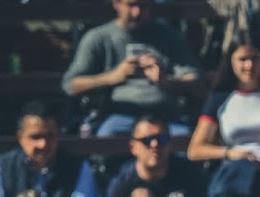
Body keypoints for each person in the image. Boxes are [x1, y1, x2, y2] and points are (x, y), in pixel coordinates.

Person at [62, 0, 201, 137]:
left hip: (164, 115)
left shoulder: (170, 37)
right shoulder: (98, 37)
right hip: (118, 114)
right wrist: (112, 77)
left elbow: (196, 81)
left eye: (143, 5)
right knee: (106, 137)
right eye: (131, 5)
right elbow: (70, 85)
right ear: (117, 3)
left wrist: (165, 81)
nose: (137, 12)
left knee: (184, 139)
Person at [189, 41, 260, 197]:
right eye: (243, 59)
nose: (249, 65)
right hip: (232, 171)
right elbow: (195, 150)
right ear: (231, 62)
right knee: (239, 170)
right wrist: (231, 153)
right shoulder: (219, 99)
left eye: (255, 59)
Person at [99, 116, 208, 197]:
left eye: (162, 139)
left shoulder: (188, 172)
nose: (155, 145)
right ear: (133, 147)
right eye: (147, 140)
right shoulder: (123, 178)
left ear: (170, 144)